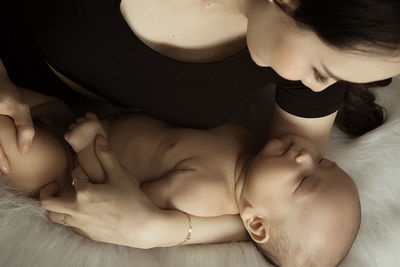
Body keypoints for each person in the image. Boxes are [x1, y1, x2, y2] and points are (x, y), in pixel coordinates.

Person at [0, 0, 398, 254]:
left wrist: (166, 229)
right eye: (322, 71)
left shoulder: (289, 71)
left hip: (60, 136)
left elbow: (292, 226)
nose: (318, 89)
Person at [2, 88, 360, 266]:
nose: (305, 154)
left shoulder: (200, 195)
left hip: (64, 165)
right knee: (13, 98)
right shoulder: (248, 143)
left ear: (256, 224)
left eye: (302, 180)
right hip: (77, 116)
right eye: (324, 162)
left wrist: (85, 150)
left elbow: (117, 196)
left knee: (12, 136)